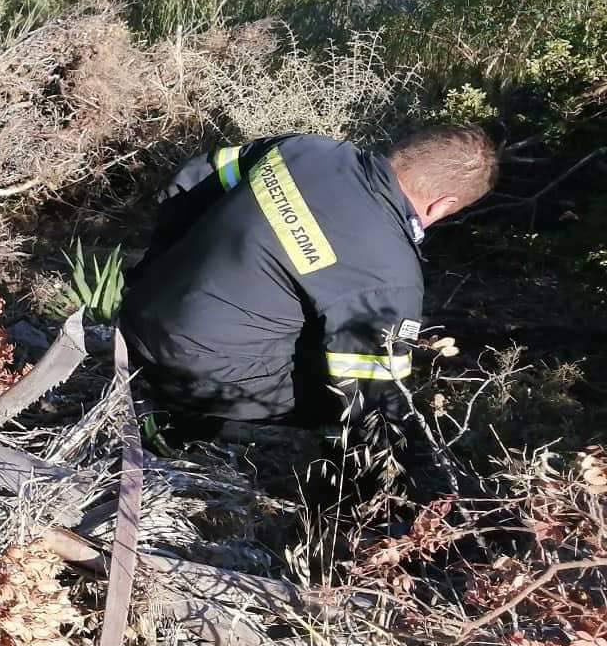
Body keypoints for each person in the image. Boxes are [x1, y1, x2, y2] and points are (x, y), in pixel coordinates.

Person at [119, 126, 498, 481]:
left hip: (139, 312)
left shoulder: (305, 149)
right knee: (337, 386)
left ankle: (177, 403)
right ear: (443, 205)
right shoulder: (390, 273)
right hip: (188, 371)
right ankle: (184, 426)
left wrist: (158, 266)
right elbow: (373, 402)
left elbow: (192, 179)